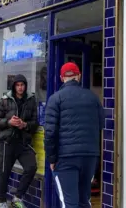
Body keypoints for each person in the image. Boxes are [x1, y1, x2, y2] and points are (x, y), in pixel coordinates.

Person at [44, 62, 104, 208]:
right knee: (85, 201)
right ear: (79, 76)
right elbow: (101, 125)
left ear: (61, 77)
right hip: (89, 157)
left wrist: (51, 158)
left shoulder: (55, 99)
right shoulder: (93, 97)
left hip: (65, 158)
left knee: (69, 203)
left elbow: (50, 133)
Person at [0, 74, 39, 208]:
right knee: (4, 171)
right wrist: (9, 122)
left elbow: (35, 122)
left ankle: (17, 197)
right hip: (8, 141)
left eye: (22, 85)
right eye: (18, 85)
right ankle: (1, 201)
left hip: (24, 142)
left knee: (31, 167)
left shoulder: (31, 100)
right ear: (14, 86)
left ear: (25, 86)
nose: (20, 88)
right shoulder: (5, 100)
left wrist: (25, 125)